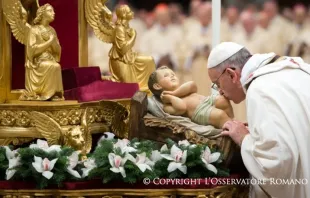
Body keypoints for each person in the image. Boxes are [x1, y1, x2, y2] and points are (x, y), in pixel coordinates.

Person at [207, 42, 310, 198]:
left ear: (231, 74)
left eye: (217, 84)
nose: (220, 92)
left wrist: (244, 138)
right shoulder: (298, 69)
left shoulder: (260, 89)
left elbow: (277, 162)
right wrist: (257, 135)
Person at [148, 66, 234, 129]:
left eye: (173, 74)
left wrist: (174, 93)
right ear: (157, 86)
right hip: (200, 112)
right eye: (166, 76)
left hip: (207, 100)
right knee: (220, 115)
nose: (172, 76)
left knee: (223, 100)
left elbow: (192, 85)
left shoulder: (181, 90)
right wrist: (171, 98)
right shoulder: (166, 105)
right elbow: (182, 108)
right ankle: (231, 130)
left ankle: (232, 123)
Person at [23, 3, 64, 101]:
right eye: (50, 11)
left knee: (56, 66)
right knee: (53, 66)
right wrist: (49, 42)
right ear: (42, 14)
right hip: (37, 62)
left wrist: (53, 42)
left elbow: (58, 51)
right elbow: (31, 51)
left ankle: (54, 94)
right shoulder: (34, 30)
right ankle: (47, 94)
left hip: (49, 59)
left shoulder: (52, 31)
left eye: (53, 11)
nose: (53, 13)